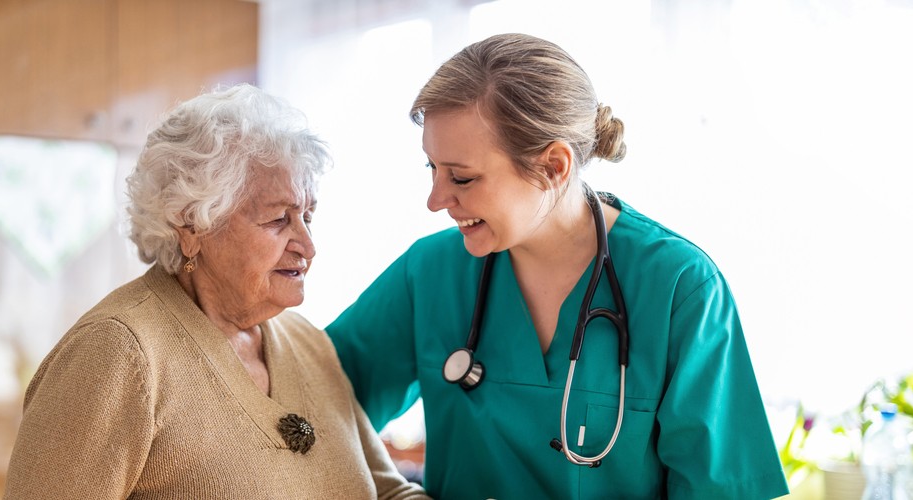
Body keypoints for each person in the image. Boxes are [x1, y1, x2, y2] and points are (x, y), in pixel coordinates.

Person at [327, 33, 789, 499]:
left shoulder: (678, 288)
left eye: (462, 177)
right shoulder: (429, 274)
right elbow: (309, 393)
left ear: (554, 166)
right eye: (432, 169)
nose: (435, 200)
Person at [3, 84, 429, 499]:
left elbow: (386, 492)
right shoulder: (118, 353)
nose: (307, 245)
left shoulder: (308, 343)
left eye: (308, 216)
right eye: (278, 220)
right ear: (191, 226)